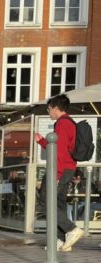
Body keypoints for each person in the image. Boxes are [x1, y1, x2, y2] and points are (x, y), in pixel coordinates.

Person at [34, 94, 84, 252]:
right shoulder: (69, 123)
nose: (48, 111)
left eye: (49, 108)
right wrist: (42, 141)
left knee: (46, 201)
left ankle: (71, 229)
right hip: (67, 168)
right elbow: (57, 147)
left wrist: (56, 175)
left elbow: (59, 152)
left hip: (60, 169)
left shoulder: (62, 124)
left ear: (56, 108)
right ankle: (60, 240)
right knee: (59, 203)